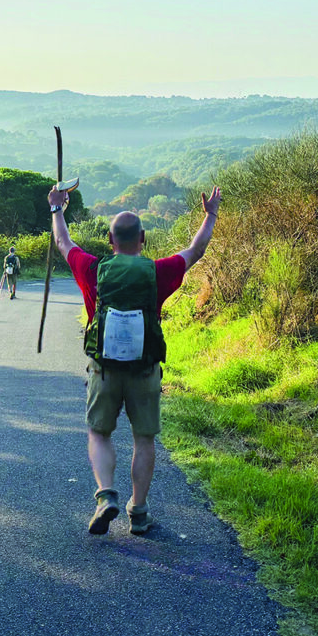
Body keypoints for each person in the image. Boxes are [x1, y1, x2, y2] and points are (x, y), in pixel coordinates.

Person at [48, 185, 221, 535]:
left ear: (109, 239)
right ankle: (138, 513)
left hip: (104, 370)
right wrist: (211, 215)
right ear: (142, 238)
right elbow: (195, 250)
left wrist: (57, 209)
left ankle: (105, 496)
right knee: (144, 439)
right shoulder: (158, 271)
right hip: (144, 370)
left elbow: (64, 243)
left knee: (99, 433)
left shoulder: (92, 268)